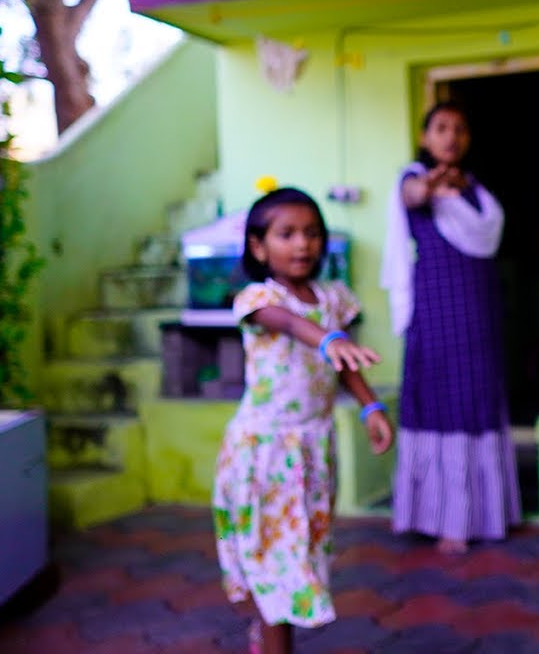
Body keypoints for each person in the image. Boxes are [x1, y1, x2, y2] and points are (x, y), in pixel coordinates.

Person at [213, 186, 394, 654]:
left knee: (300, 554)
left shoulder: (334, 298)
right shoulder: (258, 297)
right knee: (276, 564)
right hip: (264, 454)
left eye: (312, 233)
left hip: (314, 450)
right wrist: (328, 339)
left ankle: (268, 629)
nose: (302, 244)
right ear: (259, 246)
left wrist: (370, 406)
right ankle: (272, 636)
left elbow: (345, 361)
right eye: (287, 234)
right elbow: (292, 325)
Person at [380, 102, 521, 555]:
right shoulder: (413, 179)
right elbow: (414, 197)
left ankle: (485, 515)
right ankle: (441, 521)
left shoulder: (474, 190)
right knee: (438, 399)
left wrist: (456, 187)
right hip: (435, 311)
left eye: (459, 129)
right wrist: (437, 182)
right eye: (441, 128)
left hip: (477, 311)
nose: (451, 137)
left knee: (476, 396)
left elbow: (490, 230)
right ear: (425, 137)